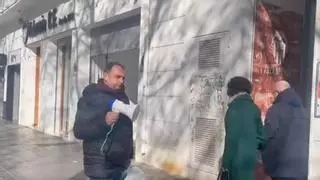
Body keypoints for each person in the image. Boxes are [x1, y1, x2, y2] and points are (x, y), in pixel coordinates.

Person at [73, 62, 134, 180]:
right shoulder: (91, 98)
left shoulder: (121, 97)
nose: (121, 81)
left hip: (120, 166)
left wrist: (129, 155)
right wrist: (104, 122)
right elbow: (79, 131)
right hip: (101, 167)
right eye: (117, 77)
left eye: (123, 78)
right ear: (106, 76)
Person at [262, 80, 309, 180]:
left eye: (273, 93)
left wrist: (267, 167)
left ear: (277, 93)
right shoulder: (303, 111)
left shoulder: (275, 110)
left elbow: (267, 137)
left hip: (281, 170)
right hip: (301, 170)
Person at [221, 76, 265, 180]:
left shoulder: (233, 110)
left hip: (235, 162)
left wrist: (225, 164)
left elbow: (231, 140)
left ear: (232, 91)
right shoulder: (255, 109)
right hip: (250, 160)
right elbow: (262, 137)